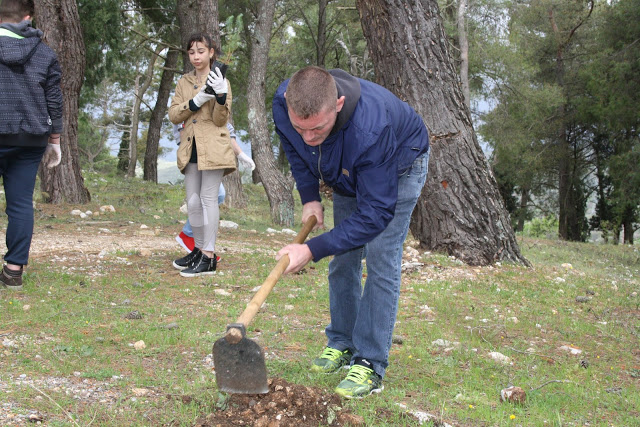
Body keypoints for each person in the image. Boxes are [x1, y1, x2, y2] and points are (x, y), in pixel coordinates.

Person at [273, 66, 430, 398]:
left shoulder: (373, 128)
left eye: (317, 128)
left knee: (380, 257)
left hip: (396, 167)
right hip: (344, 167)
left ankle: (370, 362)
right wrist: (310, 197)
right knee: (343, 256)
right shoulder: (284, 104)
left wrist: (312, 249)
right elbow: (296, 149)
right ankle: (342, 341)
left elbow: (375, 214)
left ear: (339, 105)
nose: (309, 137)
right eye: (301, 127)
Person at [0, 0, 63, 291]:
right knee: (21, 203)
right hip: (30, 138)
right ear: (27, 18)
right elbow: (54, 99)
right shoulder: (44, 52)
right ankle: (14, 271)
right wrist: (55, 140)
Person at [168, 32, 239, 278]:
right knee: (193, 201)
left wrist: (220, 96)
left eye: (201, 51)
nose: (196, 56)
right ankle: (198, 249)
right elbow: (175, 114)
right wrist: (197, 100)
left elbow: (221, 119)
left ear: (211, 53)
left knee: (209, 200)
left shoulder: (222, 80)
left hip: (214, 147)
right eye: (191, 52)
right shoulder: (184, 82)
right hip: (191, 146)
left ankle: (209, 257)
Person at [173, 121, 254, 254]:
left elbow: (226, 127)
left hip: (212, 150)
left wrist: (239, 153)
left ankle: (195, 240)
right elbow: (180, 125)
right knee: (205, 198)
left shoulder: (214, 103)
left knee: (218, 194)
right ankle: (194, 241)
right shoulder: (185, 102)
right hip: (194, 152)